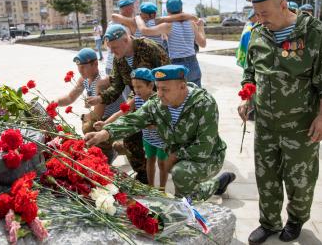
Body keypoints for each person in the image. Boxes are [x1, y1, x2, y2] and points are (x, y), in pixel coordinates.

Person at [239, 0, 322, 244]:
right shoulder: (258, 34)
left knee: (300, 179)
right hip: (266, 125)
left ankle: (295, 221)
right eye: (256, 14)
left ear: (283, 5)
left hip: (301, 125)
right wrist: (247, 96)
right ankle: (269, 223)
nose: (259, 19)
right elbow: (250, 72)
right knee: (266, 176)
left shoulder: (313, 32)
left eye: (264, 13)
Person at [85, 64, 236, 201]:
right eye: (158, 88)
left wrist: (176, 155)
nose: (159, 94)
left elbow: (204, 147)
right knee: (187, 186)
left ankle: (185, 207)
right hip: (177, 156)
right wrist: (104, 133)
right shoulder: (157, 105)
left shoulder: (204, 104)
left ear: (182, 87)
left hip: (209, 157)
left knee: (181, 174)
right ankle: (216, 185)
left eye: (165, 89)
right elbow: (132, 120)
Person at [86, 24, 170, 184]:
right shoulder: (119, 60)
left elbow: (168, 74)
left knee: (164, 140)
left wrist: (164, 102)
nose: (112, 52)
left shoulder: (150, 48)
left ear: (126, 40)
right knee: (131, 137)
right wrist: (100, 99)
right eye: (110, 48)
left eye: (115, 47)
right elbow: (117, 86)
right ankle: (143, 174)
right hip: (137, 97)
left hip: (160, 97)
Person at [94, 68, 169, 190]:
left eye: (139, 87)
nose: (136, 90)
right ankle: (150, 187)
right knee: (149, 161)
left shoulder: (158, 100)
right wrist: (105, 123)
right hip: (148, 139)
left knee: (162, 163)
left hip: (161, 139)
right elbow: (121, 112)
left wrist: (154, 125)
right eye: (134, 87)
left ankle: (162, 188)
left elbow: (166, 120)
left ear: (150, 85)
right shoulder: (136, 99)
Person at [55, 48, 125, 163]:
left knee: (88, 126)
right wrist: (55, 102)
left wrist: (83, 117)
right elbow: (70, 97)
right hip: (104, 117)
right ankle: (108, 148)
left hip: (117, 117)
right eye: (79, 67)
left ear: (95, 64)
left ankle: (111, 151)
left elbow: (97, 113)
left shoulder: (101, 82)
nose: (80, 70)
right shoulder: (84, 79)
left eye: (83, 67)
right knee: (89, 125)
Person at [135, 0, 206, 87]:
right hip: (193, 62)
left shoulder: (168, 25)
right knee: (196, 96)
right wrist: (201, 27)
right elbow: (203, 44)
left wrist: (138, 18)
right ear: (181, 8)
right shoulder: (191, 23)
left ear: (168, 10)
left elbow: (144, 30)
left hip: (177, 65)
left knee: (177, 98)